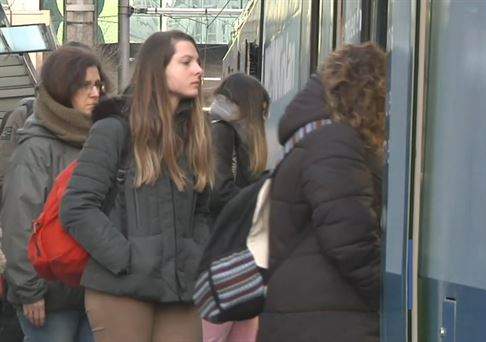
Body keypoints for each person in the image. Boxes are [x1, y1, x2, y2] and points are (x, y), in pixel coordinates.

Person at [59, 30, 214, 342]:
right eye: (186, 62)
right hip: (121, 288)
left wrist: (194, 252)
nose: (198, 70)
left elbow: (204, 211)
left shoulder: (194, 136)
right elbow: (76, 208)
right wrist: (127, 258)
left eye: (198, 61)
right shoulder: (114, 129)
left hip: (178, 289)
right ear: (158, 69)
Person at [258, 42, 387, 342]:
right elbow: (349, 238)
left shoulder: (311, 140)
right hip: (329, 321)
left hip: (305, 315)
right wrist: (386, 291)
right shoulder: (335, 143)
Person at [0, 45, 109, 342]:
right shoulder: (36, 146)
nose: (95, 93)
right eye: (84, 85)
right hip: (48, 298)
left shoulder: (104, 138)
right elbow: (18, 224)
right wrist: (29, 291)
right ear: (62, 90)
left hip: (95, 291)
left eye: (98, 84)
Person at [203, 73, 270, 342]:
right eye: (261, 110)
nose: (263, 118)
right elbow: (218, 193)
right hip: (224, 252)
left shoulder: (226, 129)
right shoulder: (222, 131)